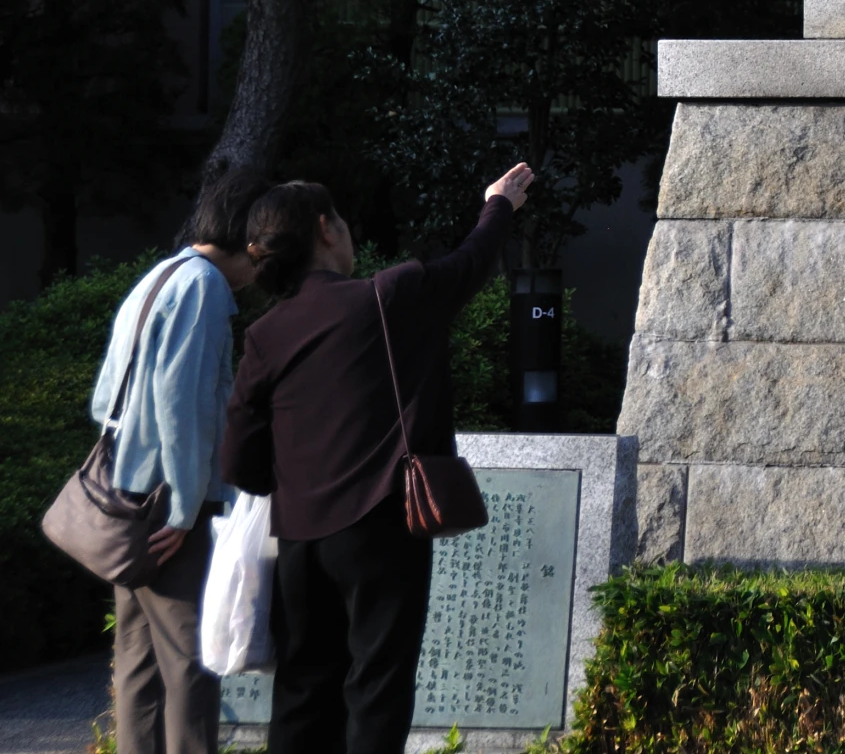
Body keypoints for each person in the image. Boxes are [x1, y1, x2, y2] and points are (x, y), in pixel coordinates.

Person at [220, 162, 533, 754]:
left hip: (298, 542)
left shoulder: (267, 333)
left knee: (301, 693)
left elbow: (239, 460)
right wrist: (499, 204)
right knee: (376, 690)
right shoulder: (390, 297)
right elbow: (469, 263)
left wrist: (288, 484)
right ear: (326, 230)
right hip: (382, 531)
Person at [89, 166, 270, 754]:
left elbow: (105, 396)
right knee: (194, 664)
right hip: (170, 506)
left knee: (138, 666)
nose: (261, 269)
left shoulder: (160, 275)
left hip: (124, 496)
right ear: (249, 240)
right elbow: (184, 406)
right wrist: (188, 507)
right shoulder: (205, 287)